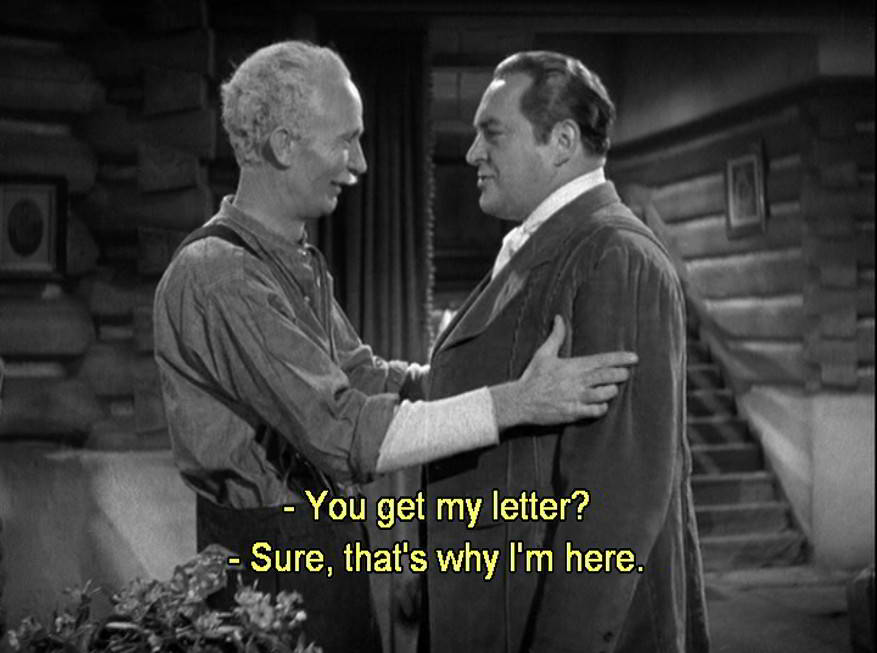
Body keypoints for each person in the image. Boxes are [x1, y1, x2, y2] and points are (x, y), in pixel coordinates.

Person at [152, 41, 637, 653]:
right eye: (345, 141)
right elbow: (344, 432)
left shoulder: (289, 260)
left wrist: (505, 371)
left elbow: (368, 378)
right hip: (265, 580)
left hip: (322, 561)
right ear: (283, 145)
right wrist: (514, 402)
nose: (358, 163)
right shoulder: (220, 275)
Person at [424, 51, 710, 653]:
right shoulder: (548, 244)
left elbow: (614, 508)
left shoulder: (615, 256)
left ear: (561, 142)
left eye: (492, 133)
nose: (472, 154)